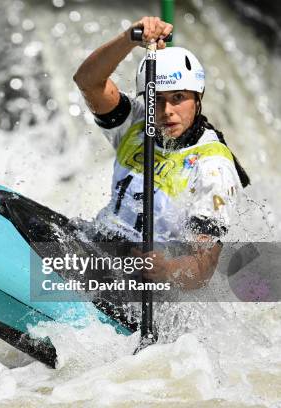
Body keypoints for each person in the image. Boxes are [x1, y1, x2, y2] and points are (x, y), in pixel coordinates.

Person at [73, 16, 250, 289]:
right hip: (99, 245)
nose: (167, 112)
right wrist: (129, 38)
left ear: (197, 98)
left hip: (148, 282)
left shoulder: (214, 167)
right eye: (157, 99)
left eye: (179, 98)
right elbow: (88, 81)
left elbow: (203, 267)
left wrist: (167, 269)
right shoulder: (136, 121)